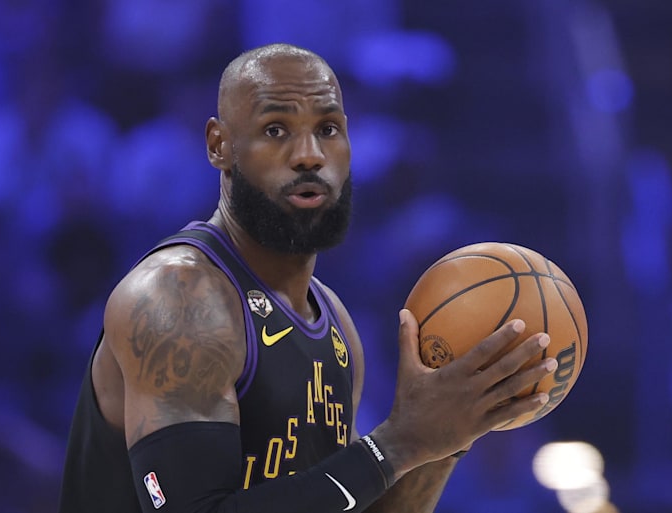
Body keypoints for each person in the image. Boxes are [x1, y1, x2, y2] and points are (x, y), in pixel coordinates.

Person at [58, 43, 558, 513]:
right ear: (219, 145)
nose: (309, 154)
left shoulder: (336, 322)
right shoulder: (177, 296)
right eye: (276, 129)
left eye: (328, 129)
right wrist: (399, 444)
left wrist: (447, 438)